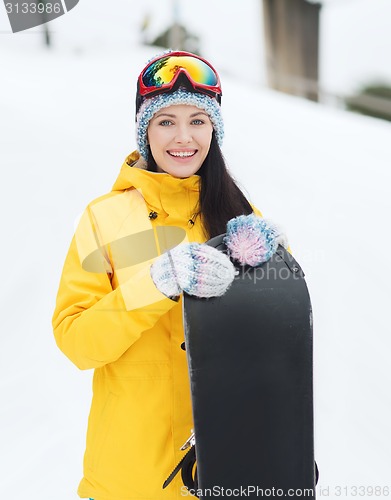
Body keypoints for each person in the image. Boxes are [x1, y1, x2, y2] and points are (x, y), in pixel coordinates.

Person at [52, 51, 284, 500]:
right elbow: (77, 342)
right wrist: (155, 283)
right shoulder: (106, 219)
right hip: (131, 479)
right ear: (145, 130)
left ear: (214, 129)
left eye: (198, 120)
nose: (183, 137)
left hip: (228, 466)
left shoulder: (239, 215)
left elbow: (281, 333)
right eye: (165, 122)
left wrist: (276, 266)